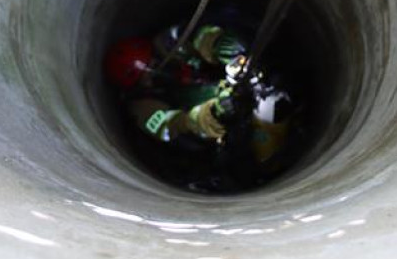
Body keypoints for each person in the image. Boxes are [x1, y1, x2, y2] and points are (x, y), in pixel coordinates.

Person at [104, 24, 294, 174]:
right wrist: (216, 113)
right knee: (255, 154)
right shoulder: (143, 108)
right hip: (215, 119)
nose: (157, 72)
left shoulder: (168, 42)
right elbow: (175, 125)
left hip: (226, 78)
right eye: (148, 77)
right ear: (137, 86)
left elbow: (200, 36)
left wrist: (226, 50)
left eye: (153, 64)